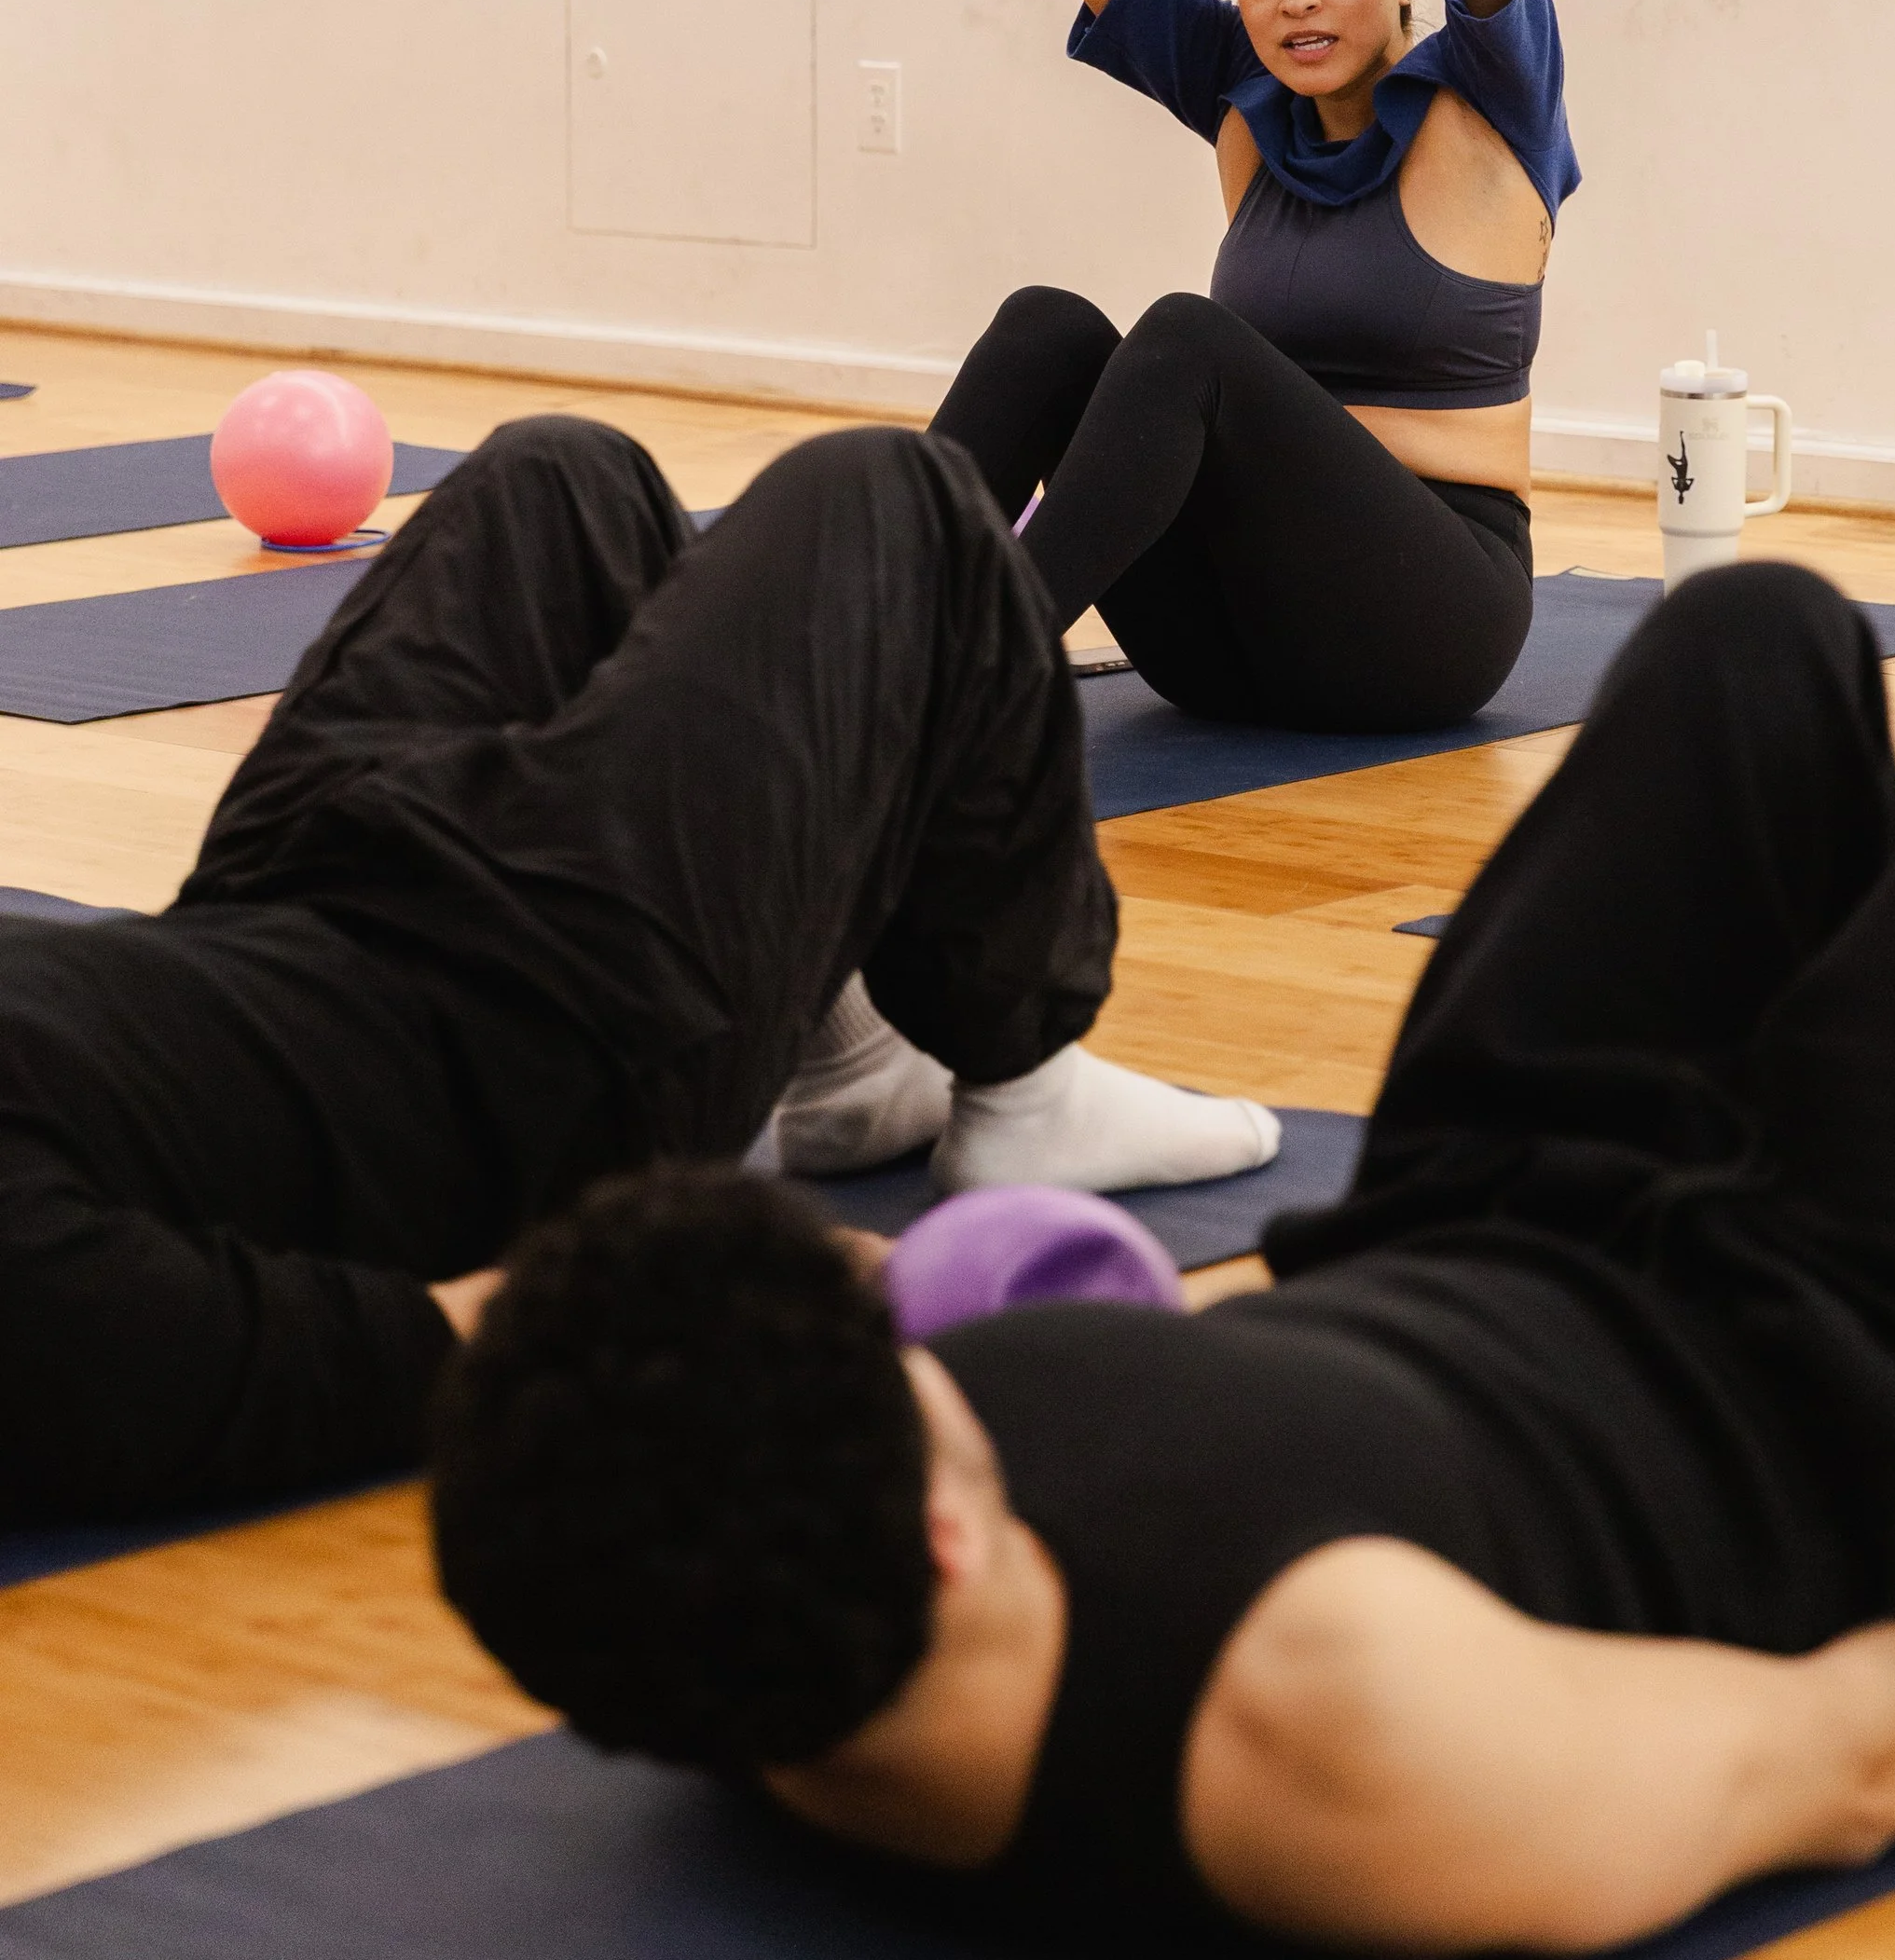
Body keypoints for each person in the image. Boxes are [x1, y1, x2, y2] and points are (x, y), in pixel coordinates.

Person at [433, 570, 1895, 1960]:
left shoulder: (711, 1569)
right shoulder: (1352, 1738)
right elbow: (1840, 1770)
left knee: (1753, 638)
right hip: (1849, 1373)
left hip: (1469, 1215)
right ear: (945, 1533)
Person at [0, 418, 1276, 1525]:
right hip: (538, 1032)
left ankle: (843, 1054)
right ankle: (1025, 1077)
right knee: (897, 499)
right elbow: (394, 1351)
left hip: (290, 894)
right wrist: (753, 1275)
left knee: (560, 480)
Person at [926, 0, 1579, 733]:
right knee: (1048, 329)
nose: (1296, 1)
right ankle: (881, 638)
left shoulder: (1492, 101)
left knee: (1187, 338)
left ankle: (965, 681)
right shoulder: (1244, 88)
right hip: (1228, 636)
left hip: (1427, 622)